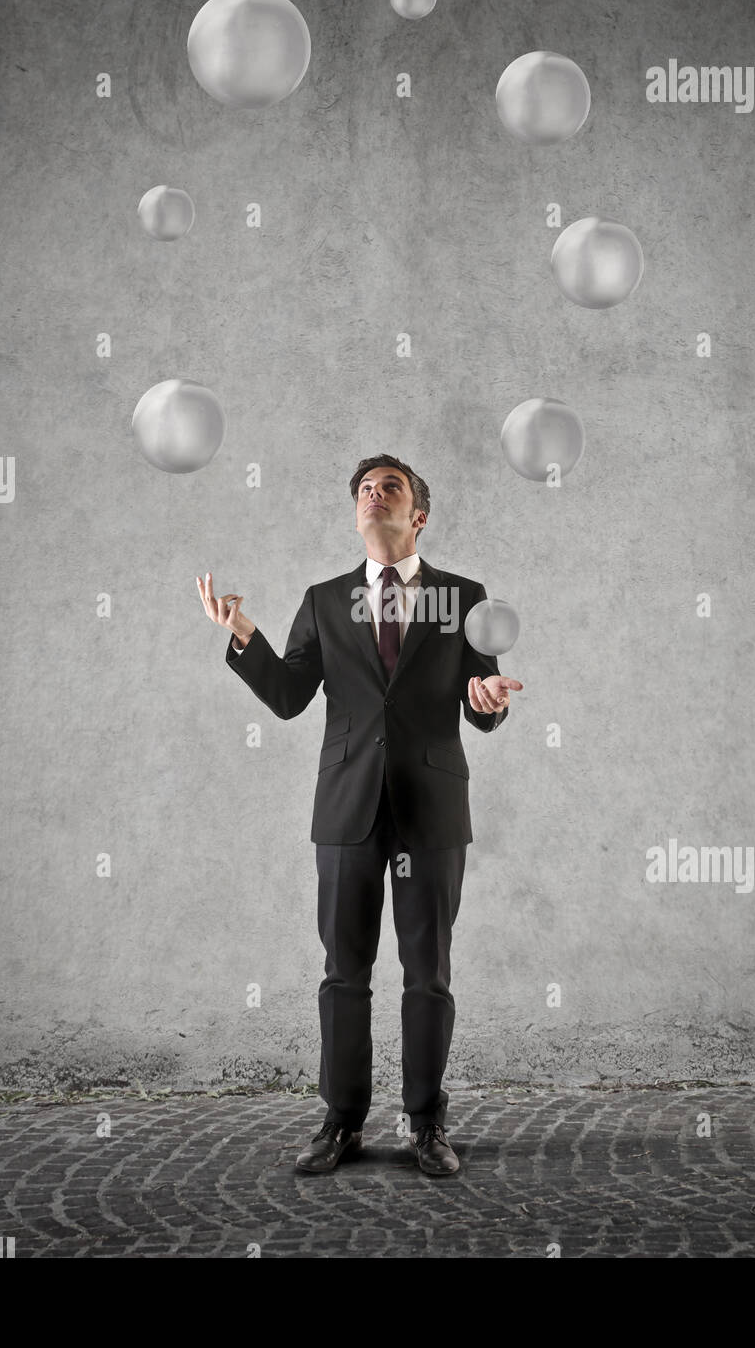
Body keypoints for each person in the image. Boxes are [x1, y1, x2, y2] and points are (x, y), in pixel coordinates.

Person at [197, 454, 522, 1176]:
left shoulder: (463, 596)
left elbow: (479, 694)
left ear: (418, 516)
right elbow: (288, 696)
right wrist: (245, 636)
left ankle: (426, 1123)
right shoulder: (323, 599)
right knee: (343, 972)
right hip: (345, 806)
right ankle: (341, 1121)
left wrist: (487, 697)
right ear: (356, 513)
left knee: (427, 972)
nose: (374, 496)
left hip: (430, 807)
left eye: (391, 488)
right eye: (365, 490)